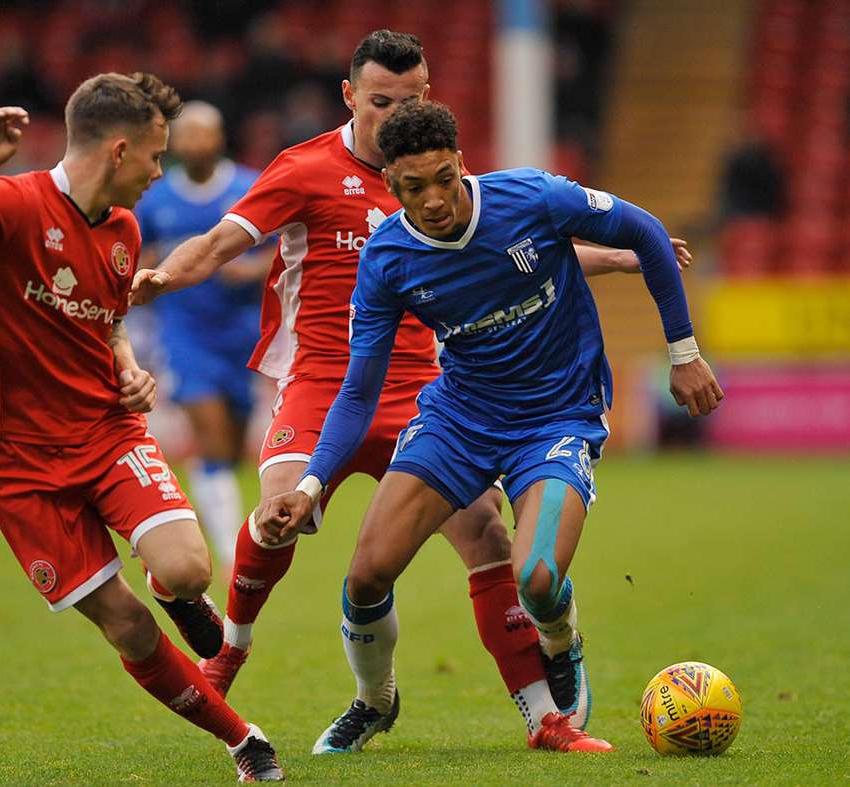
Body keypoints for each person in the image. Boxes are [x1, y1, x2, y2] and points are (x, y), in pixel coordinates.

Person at [131, 30, 689, 748]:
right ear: (349, 96)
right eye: (381, 101)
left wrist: (613, 256)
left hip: (426, 385)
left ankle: (543, 716)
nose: (397, 113)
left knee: (489, 536)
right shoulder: (305, 170)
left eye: (413, 98)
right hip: (321, 382)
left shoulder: (430, 169)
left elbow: (503, 250)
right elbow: (216, 243)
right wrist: (160, 278)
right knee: (280, 515)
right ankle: (234, 650)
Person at [255, 100, 723, 754]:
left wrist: (683, 352)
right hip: (459, 419)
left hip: (556, 416)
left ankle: (560, 643)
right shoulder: (387, 257)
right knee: (365, 576)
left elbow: (643, 231)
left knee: (535, 578)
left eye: (444, 178)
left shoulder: (533, 197)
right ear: (391, 185)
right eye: (414, 187)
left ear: (461, 164)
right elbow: (358, 391)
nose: (435, 198)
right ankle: (374, 700)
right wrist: (309, 485)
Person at [0, 73, 283, 782]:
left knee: (188, 568)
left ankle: (172, 590)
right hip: (16, 461)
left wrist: (127, 364)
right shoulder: (8, 202)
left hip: (106, 429)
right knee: (125, 626)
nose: (159, 175)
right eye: (155, 158)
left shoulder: (127, 230)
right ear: (120, 149)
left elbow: (107, 321)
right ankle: (242, 740)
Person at [135, 102, 269, 580]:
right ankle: (233, 554)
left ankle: (218, 513)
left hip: (243, 333)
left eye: (202, 135)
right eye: (185, 136)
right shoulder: (154, 199)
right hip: (184, 334)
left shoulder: (249, 186)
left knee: (231, 448)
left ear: (219, 139)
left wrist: (249, 269)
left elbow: (284, 253)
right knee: (210, 437)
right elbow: (139, 254)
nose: (194, 144)